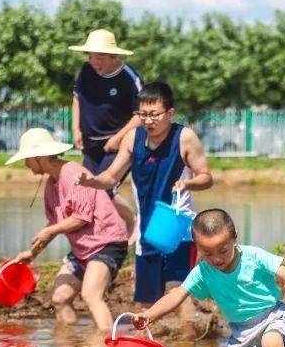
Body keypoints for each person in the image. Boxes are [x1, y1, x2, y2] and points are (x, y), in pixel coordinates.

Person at [132, 209, 285, 347]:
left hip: (272, 315)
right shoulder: (202, 272)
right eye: (207, 253)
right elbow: (176, 295)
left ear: (234, 238)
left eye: (223, 250)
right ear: (197, 247)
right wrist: (149, 315)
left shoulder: (253, 256)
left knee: (271, 343)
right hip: (241, 332)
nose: (217, 259)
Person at [77, 81, 212, 323]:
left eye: (154, 115)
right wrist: (92, 181)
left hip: (177, 230)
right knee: (147, 303)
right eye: (143, 115)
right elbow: (111, 176)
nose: (148, 121)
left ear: (170, 113)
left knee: (176, 291)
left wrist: (188, 183)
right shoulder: (132, 139)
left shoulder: (184, 138)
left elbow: (206, 177)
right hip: (146, 233)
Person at [4, 128, 128, 331]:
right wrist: (32, 253)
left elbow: (81, 217)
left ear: (40, 157)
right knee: (60, 298)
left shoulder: (72, 174)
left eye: (28, 159)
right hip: (83, 250)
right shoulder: (51, 184)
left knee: (91, 295)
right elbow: (54, 223)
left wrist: (50, 232)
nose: (26, 164)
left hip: (107, 243)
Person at [68, 29, 142, 231]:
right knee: (86, 190)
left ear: (113, 56)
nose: (94, 62)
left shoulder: (129, 78)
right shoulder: (86, 71)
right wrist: (76, 129)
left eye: (99, 57)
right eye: (90, 57)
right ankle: (100, 234)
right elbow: (76, 99)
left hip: (117, 146)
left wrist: (118, 138)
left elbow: (141, 114)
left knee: (104, 190)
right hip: (90, 145)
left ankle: (131, 222)